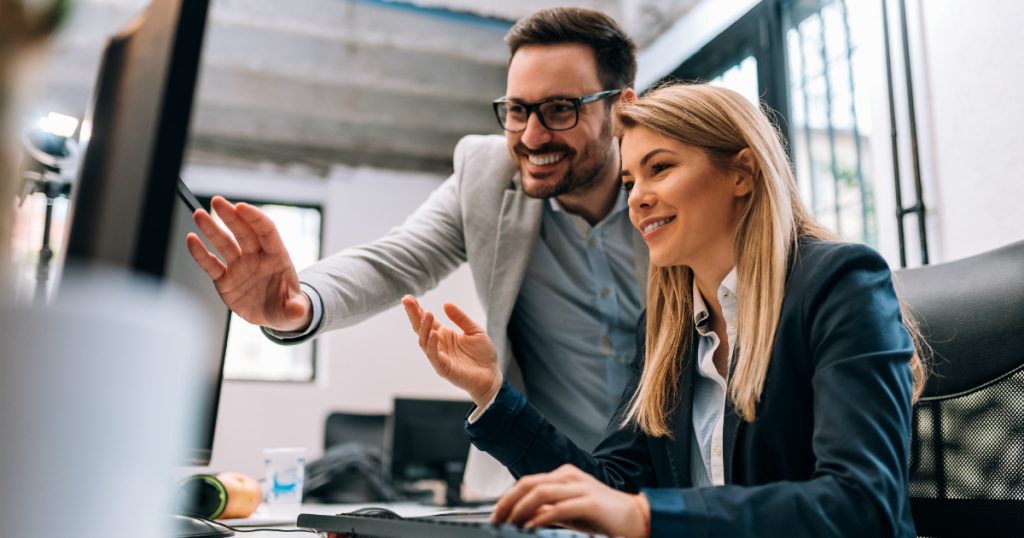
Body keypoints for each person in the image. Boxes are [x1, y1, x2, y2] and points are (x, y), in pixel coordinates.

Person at [400, 82, 927, 537]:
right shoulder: (667, 328)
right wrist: (493, 395)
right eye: (630, 181)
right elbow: (612, 487)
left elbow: (862, 505)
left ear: (742, 173)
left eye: (661, 169)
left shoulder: (840, 284)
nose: (637, 199)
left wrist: (646, 517)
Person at [185, 8, 646, 495]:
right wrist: (299, 302)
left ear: (621, 108)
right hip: (542, 483)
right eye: (516, 110)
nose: (531, 136)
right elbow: (396, 259)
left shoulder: (673, 188)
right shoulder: (487, 176)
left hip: (672, 481)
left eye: (560, 110)